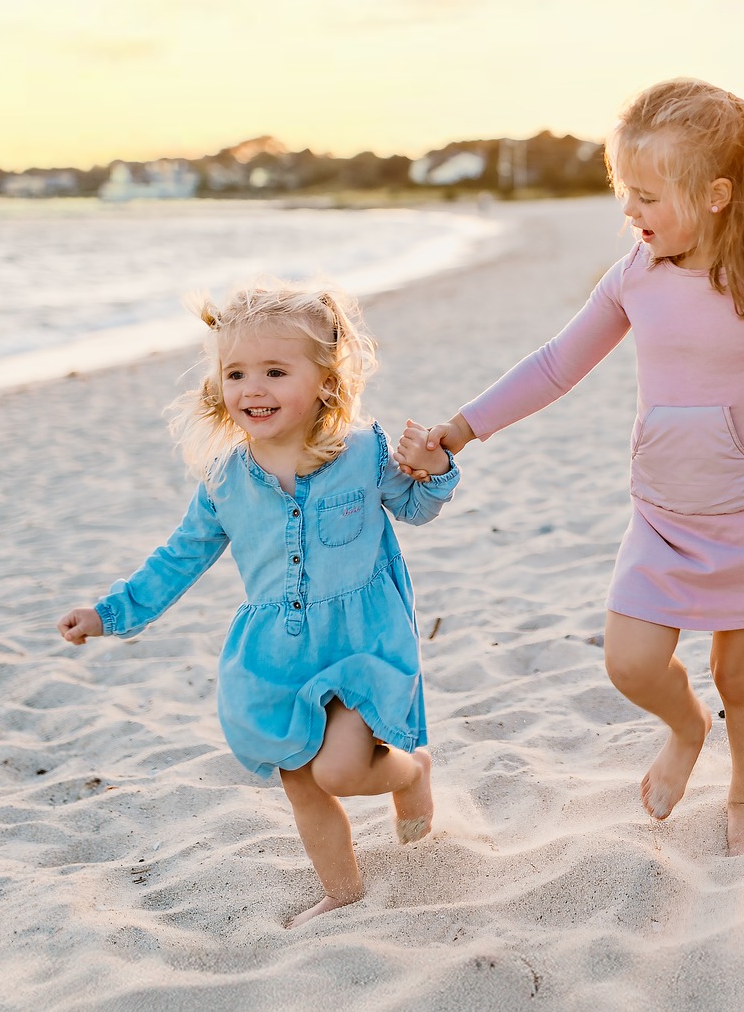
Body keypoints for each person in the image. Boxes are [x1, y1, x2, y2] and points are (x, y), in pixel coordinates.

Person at [410, 78, 744, 856]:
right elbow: (554, 365)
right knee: (631, 662)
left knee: (741, 678)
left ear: (715, 195)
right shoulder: (634, 278)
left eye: (648, 196)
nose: (633, 215)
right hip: (663, 516)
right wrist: (464, 427)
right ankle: (686, 728)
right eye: (626, 196)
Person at [58, 282, 457, 928]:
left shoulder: (361, 451)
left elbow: (415, 508)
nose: (253, 388)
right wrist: (110, 613)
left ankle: (410, 774)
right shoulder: (223, 480)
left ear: (326, 379)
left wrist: (431, 469)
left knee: (343, 768)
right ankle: (343, 888)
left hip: (362, 641)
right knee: (302, 778)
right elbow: (179, 557)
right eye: (236, 372)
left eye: (275, 370)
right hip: (276, 654)